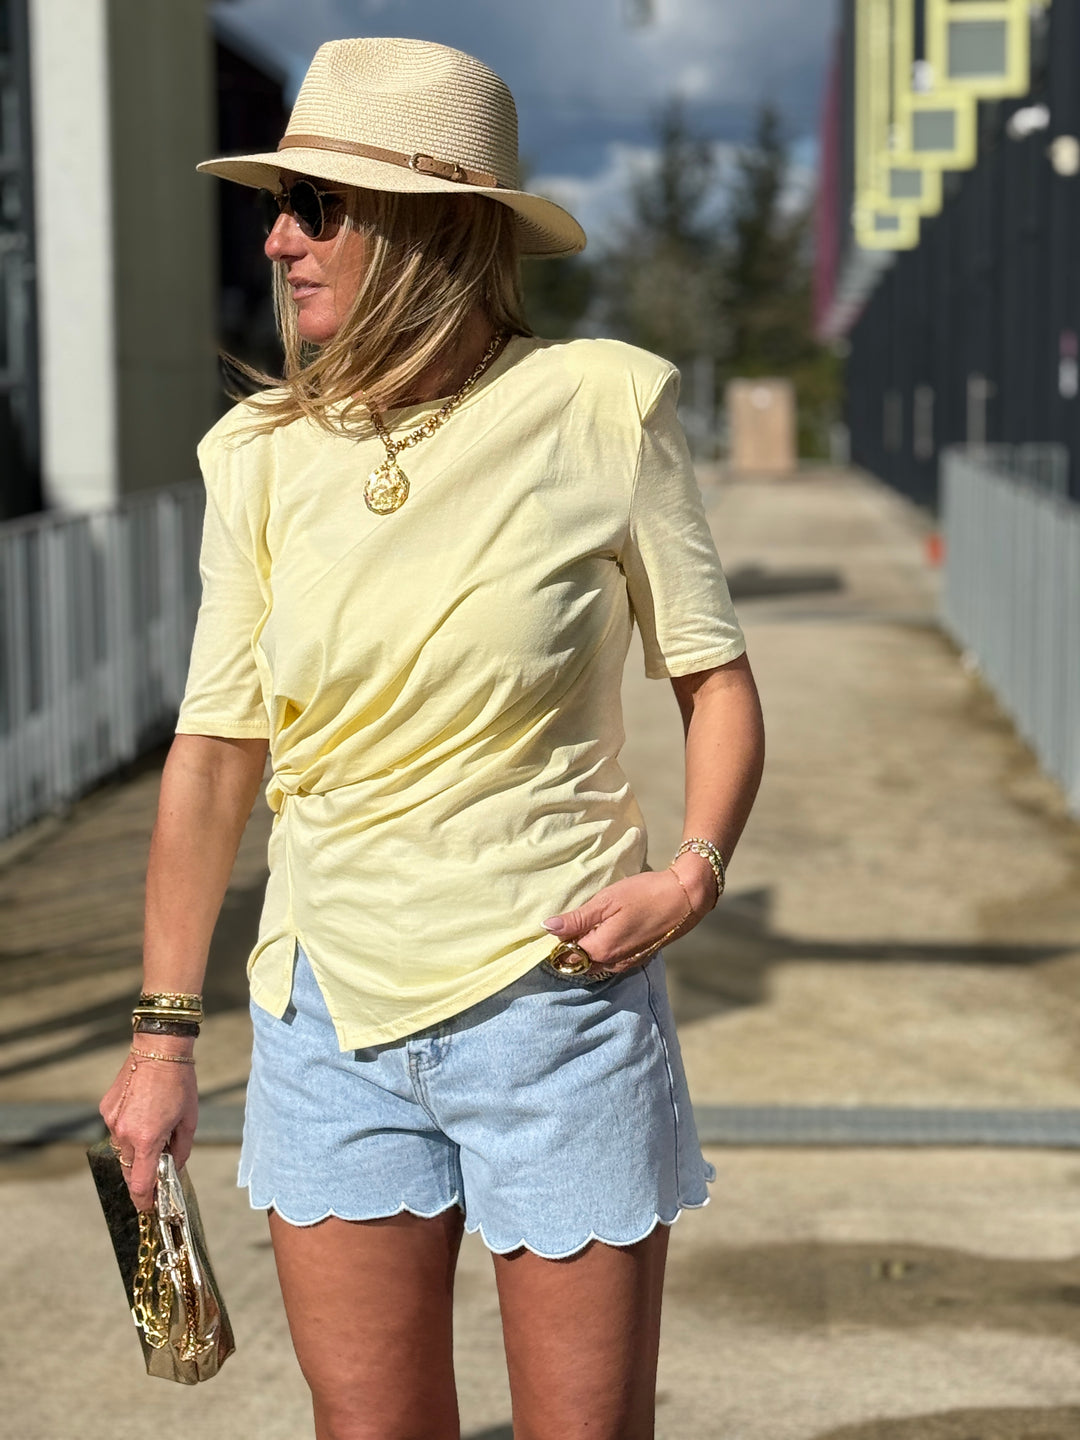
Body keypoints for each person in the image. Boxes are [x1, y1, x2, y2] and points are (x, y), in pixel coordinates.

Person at [99, 36, 765, 1440]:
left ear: (426, 227)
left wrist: (692, 876)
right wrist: (161, 1043)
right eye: (278, 206)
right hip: (323, 1019)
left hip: (557, 1005)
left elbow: (714, 680)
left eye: (314, 206)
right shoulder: (258, 458)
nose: (277, 239)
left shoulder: (599, 409)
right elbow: (214, 756)